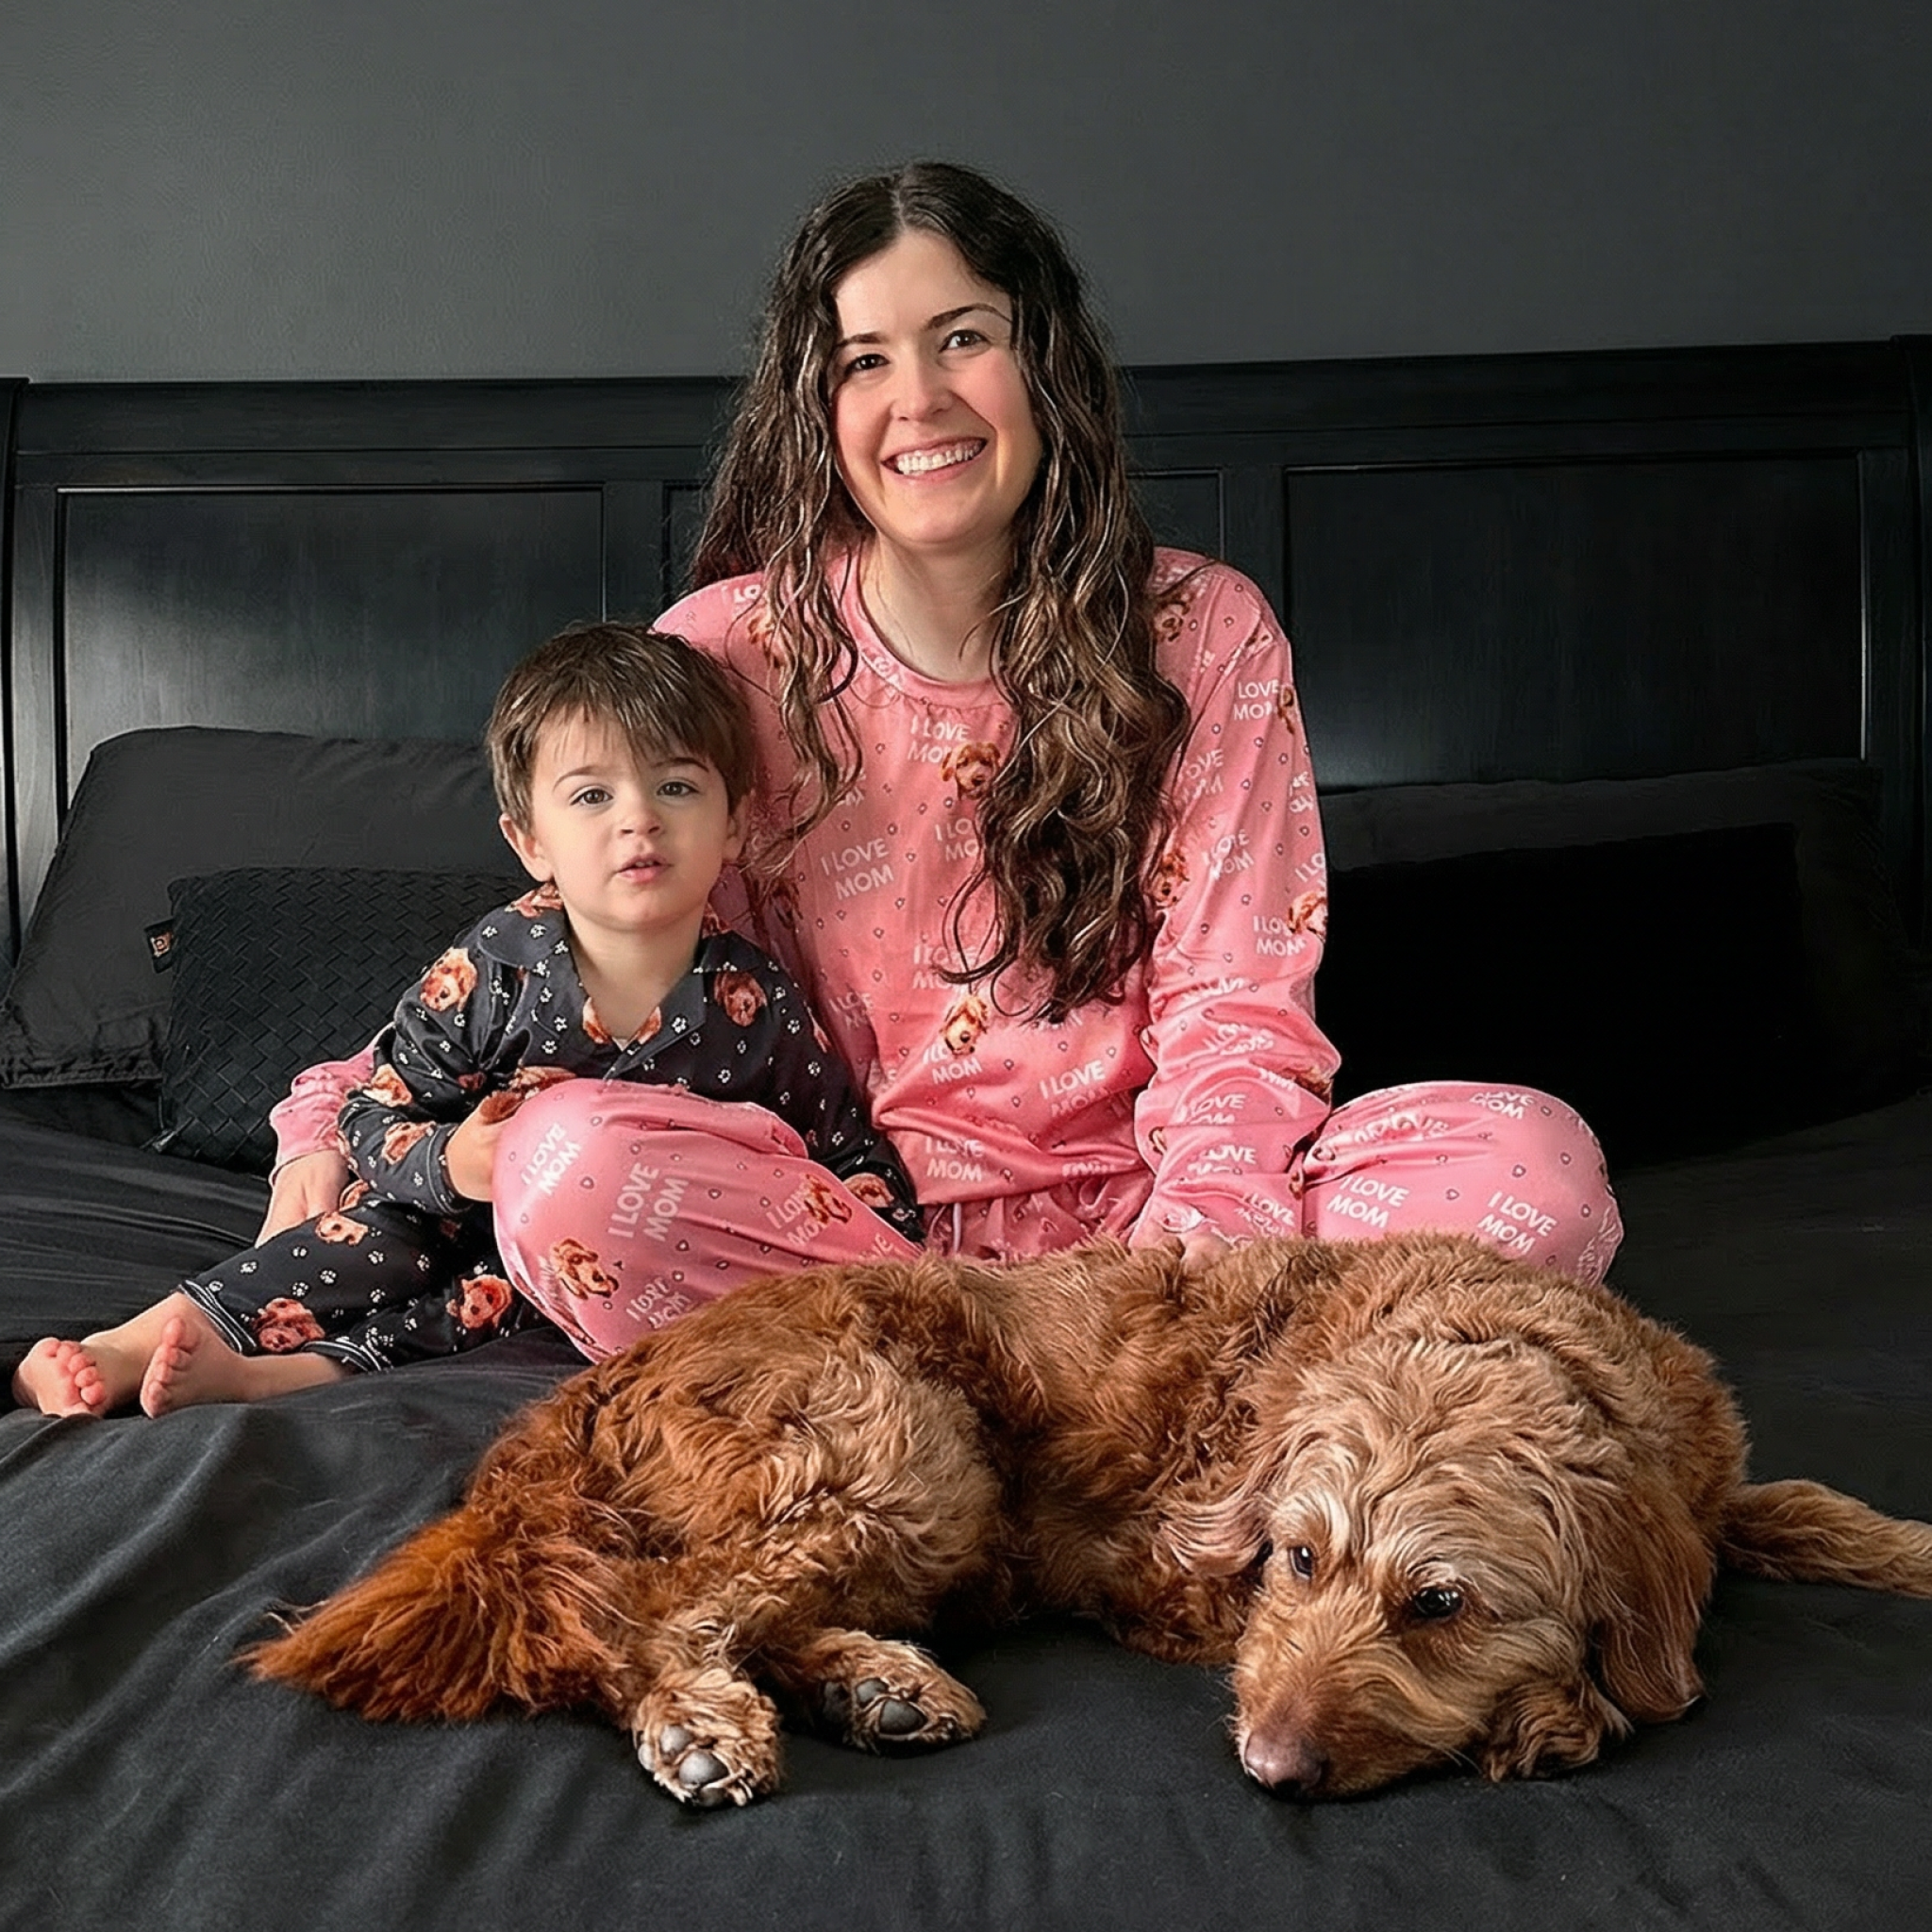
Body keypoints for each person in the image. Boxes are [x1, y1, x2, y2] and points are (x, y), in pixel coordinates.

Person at [253, 159, 1622, 1347]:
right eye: (864, 360)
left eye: (963, 338)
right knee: (569, 1170)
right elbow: (587, 942)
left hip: (1161, 1234)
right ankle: (1024, 1405)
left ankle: (1052, 1407)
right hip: (848, 1243)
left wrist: (1189, 1281)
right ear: (818, 403)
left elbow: (1238, 1007)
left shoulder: (1206, 634)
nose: (919, 399)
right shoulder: (731, 650)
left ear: (1044, 365)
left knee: (1534, 1173)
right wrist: (330, 1111)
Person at [11, 626, 921, 1418]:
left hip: (601, 1261)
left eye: (677, 789)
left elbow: (840, 1153)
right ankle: (133, 1343)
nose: (638, 821)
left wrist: (899, 1266)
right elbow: (371, 1113)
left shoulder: (753, 1001)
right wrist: (452, 1163)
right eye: (592, 796)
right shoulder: (497, 963)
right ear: (531, 840)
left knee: (481, 1315)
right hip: (446, 1210)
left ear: (732, 826)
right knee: (357, 1248)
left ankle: (268, 1384)